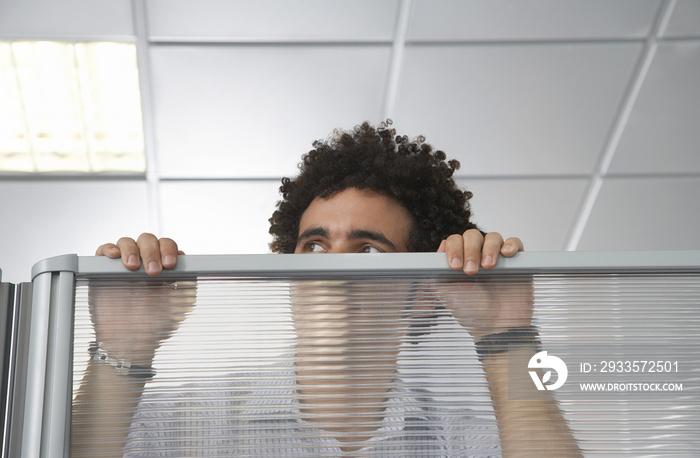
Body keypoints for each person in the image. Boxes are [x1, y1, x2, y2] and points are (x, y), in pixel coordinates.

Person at [73, 121, 581, 456]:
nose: (331, 270)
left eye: (368, 250)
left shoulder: (473, 445)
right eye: (314, 245)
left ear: (425, 293)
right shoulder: (178, 431)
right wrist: (122, 349)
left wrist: (508, 335)